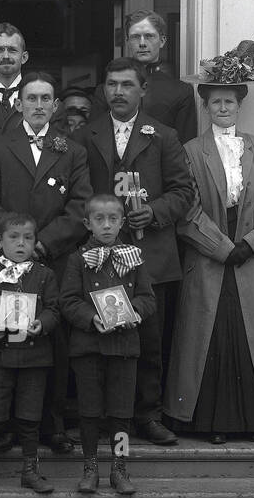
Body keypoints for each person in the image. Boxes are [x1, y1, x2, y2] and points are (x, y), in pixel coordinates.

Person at [166, 79, 254, 442]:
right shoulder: (189, 151)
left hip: (253, 256)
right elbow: (188, 209)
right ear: (206, 107)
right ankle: (211, 423)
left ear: (239, 106)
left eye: (229, 102)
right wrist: (221, 248)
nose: (223, 108)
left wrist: (250, 244)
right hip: (207, 256)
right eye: (216, 103)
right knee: (210, 334)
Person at [77, 57, 197, 445]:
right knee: (98, 341)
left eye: (127, 85)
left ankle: (148, 415)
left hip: (150, 258)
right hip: (99, 256)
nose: (118, 92)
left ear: (142, 90)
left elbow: (184, 191)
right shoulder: (87, 134)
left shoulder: (163, 135)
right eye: (111, 85)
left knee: (148, 342)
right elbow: (77, 189)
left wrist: (155, 212)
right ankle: (104, 420)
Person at [0, 69, 91, 453]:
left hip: (51, 263)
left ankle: (50, 426)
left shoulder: (71, 150)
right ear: (19, 103)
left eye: (45, 99)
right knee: (6, 338)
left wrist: (42, 245)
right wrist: (13, 244)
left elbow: (79, 207)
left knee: (50, 342)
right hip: (4, 264)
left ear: (55, 106)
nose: (38, 105)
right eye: (31, 98)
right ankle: (4, 427)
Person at [60, 194, 155, 494]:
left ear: (122, 222)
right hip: (88, 346)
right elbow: (68, 300)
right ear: (87, 223)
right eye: (99, 220)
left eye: (113, 219)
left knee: (121, 412)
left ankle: (119, 468)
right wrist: (91, 318)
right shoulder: (77, 260)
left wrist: (136, 314)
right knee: (89, 411)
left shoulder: (134, 257)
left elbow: (147, 298)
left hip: (124, 347)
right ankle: (90, 467)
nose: (106, 225)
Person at [0, 214, 61, 495]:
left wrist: (42, 323)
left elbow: (54, 308)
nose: (21, 244)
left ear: (35, 242)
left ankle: (30, 470)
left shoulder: (44, 275)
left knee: (30, 416)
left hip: (34, 358)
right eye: (14, 238)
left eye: (28, 238)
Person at [89, 10, 197, 143]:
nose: (142, 43)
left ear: (162, 41)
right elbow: (94, 139)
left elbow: (185, 145)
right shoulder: (105, 91)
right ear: (127, 41)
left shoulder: (181, 91)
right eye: (135, 37)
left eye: (149, 36)